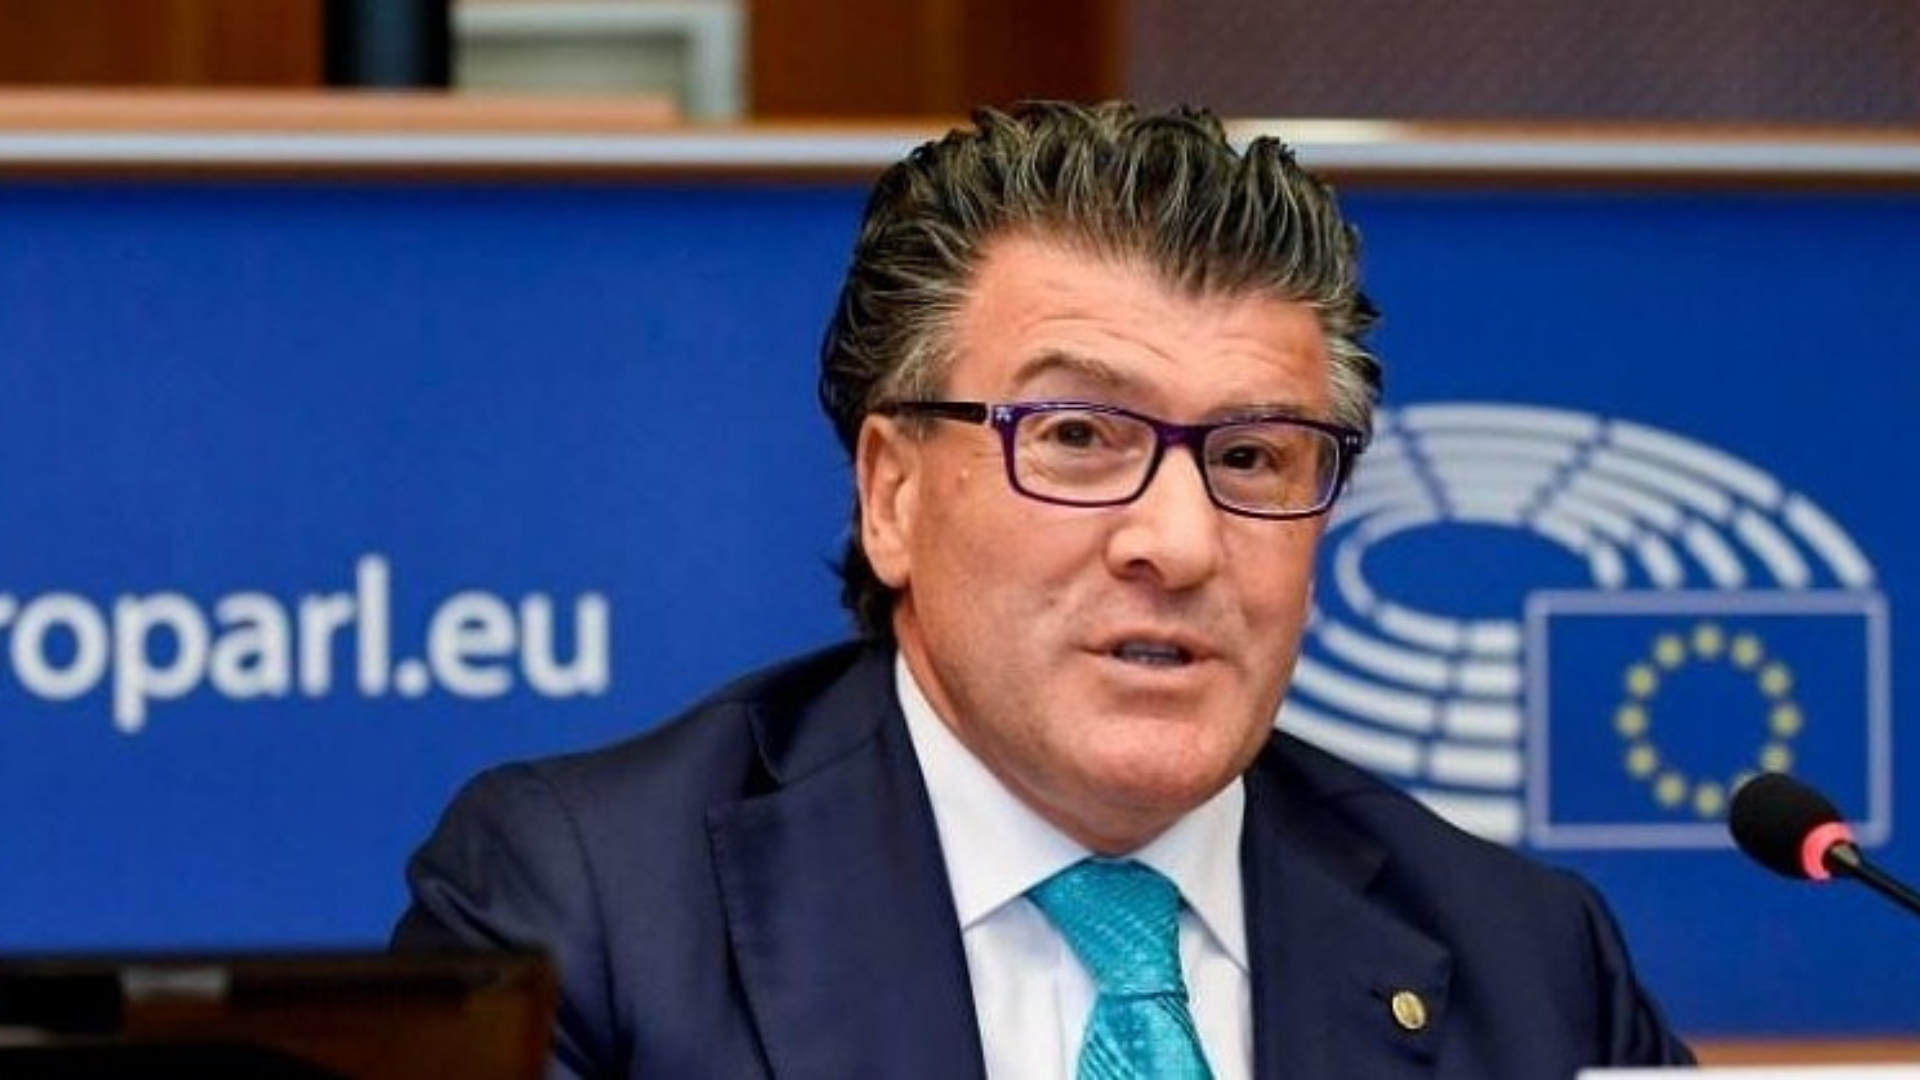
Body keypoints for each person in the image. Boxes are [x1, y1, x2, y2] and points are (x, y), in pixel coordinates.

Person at [393, 101, 1695, 1078]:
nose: (1178, 542)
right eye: (1077, 436)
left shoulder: (1529, 959)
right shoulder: (591, 908)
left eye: (1252, 456)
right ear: (893, 495)